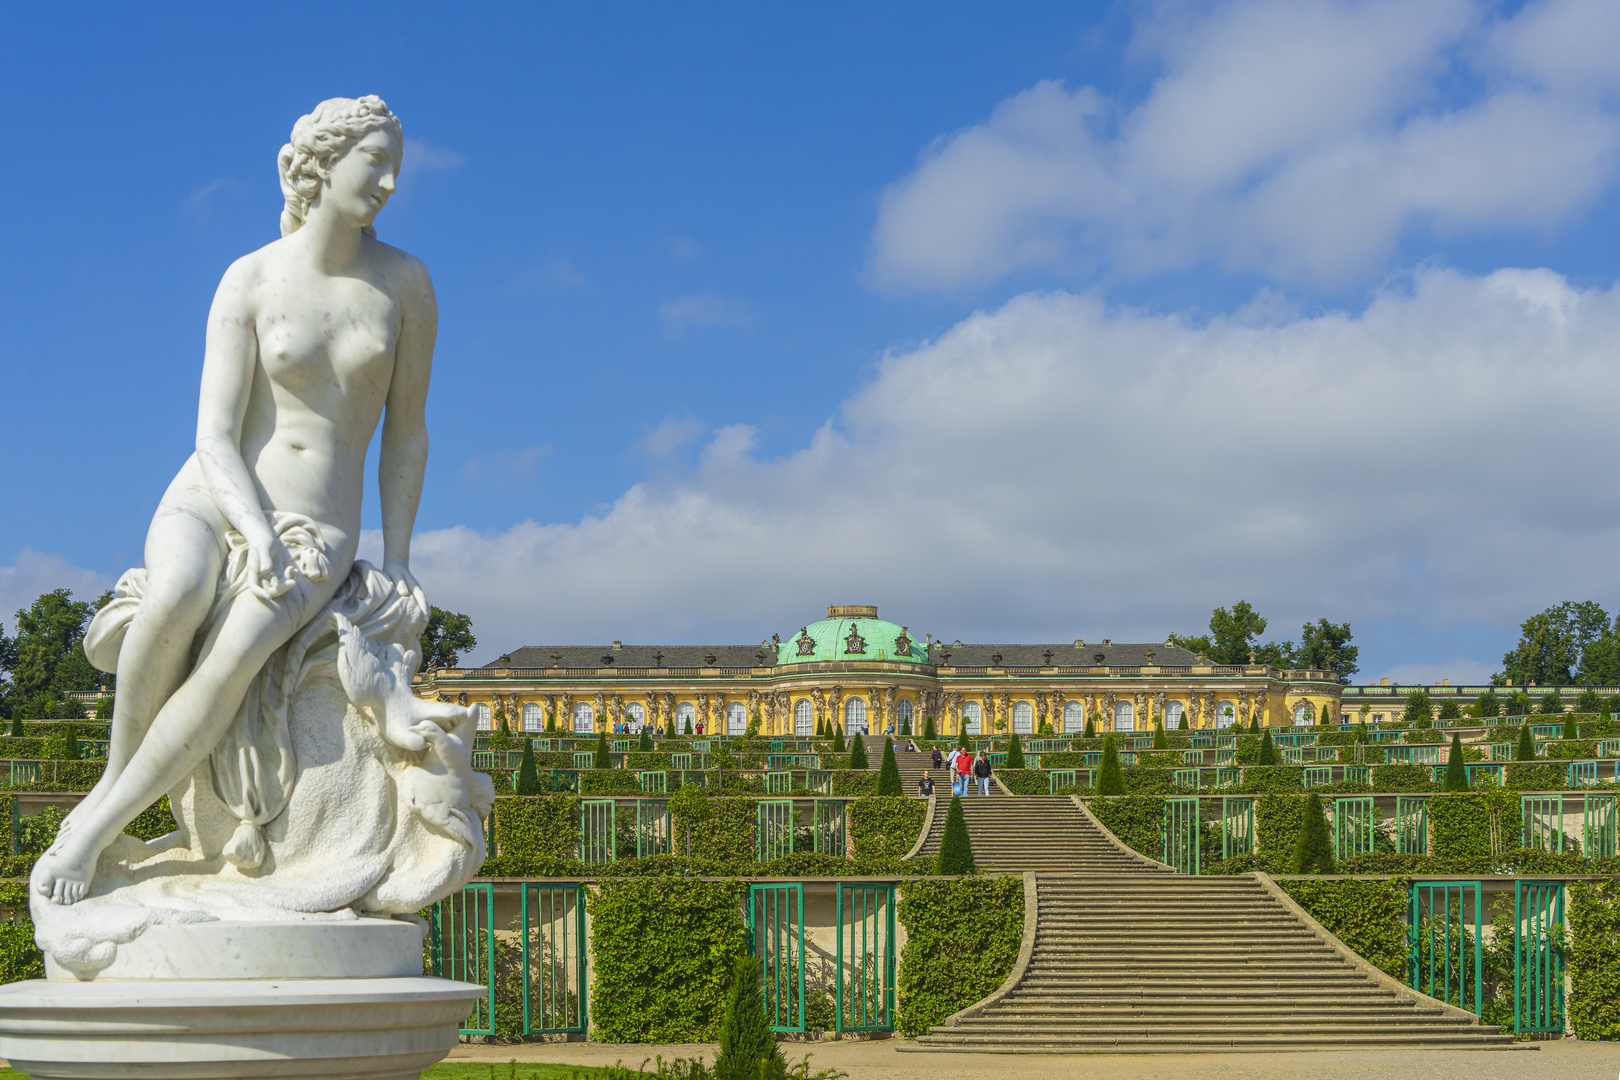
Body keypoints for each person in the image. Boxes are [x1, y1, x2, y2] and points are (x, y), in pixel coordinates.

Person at [34, 96, 431, 906]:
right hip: (214, 497)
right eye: (374, 162)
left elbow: (407, 436)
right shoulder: (249, 278)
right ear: (321, 166)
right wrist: (252, 530)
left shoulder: (404, 285)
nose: (389, 182)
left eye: (397, 166)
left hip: (317, 524)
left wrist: (396, 561)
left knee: (235, 652)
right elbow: (214, 435)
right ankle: (110, 787)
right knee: (177, 593)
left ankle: (101, 827)